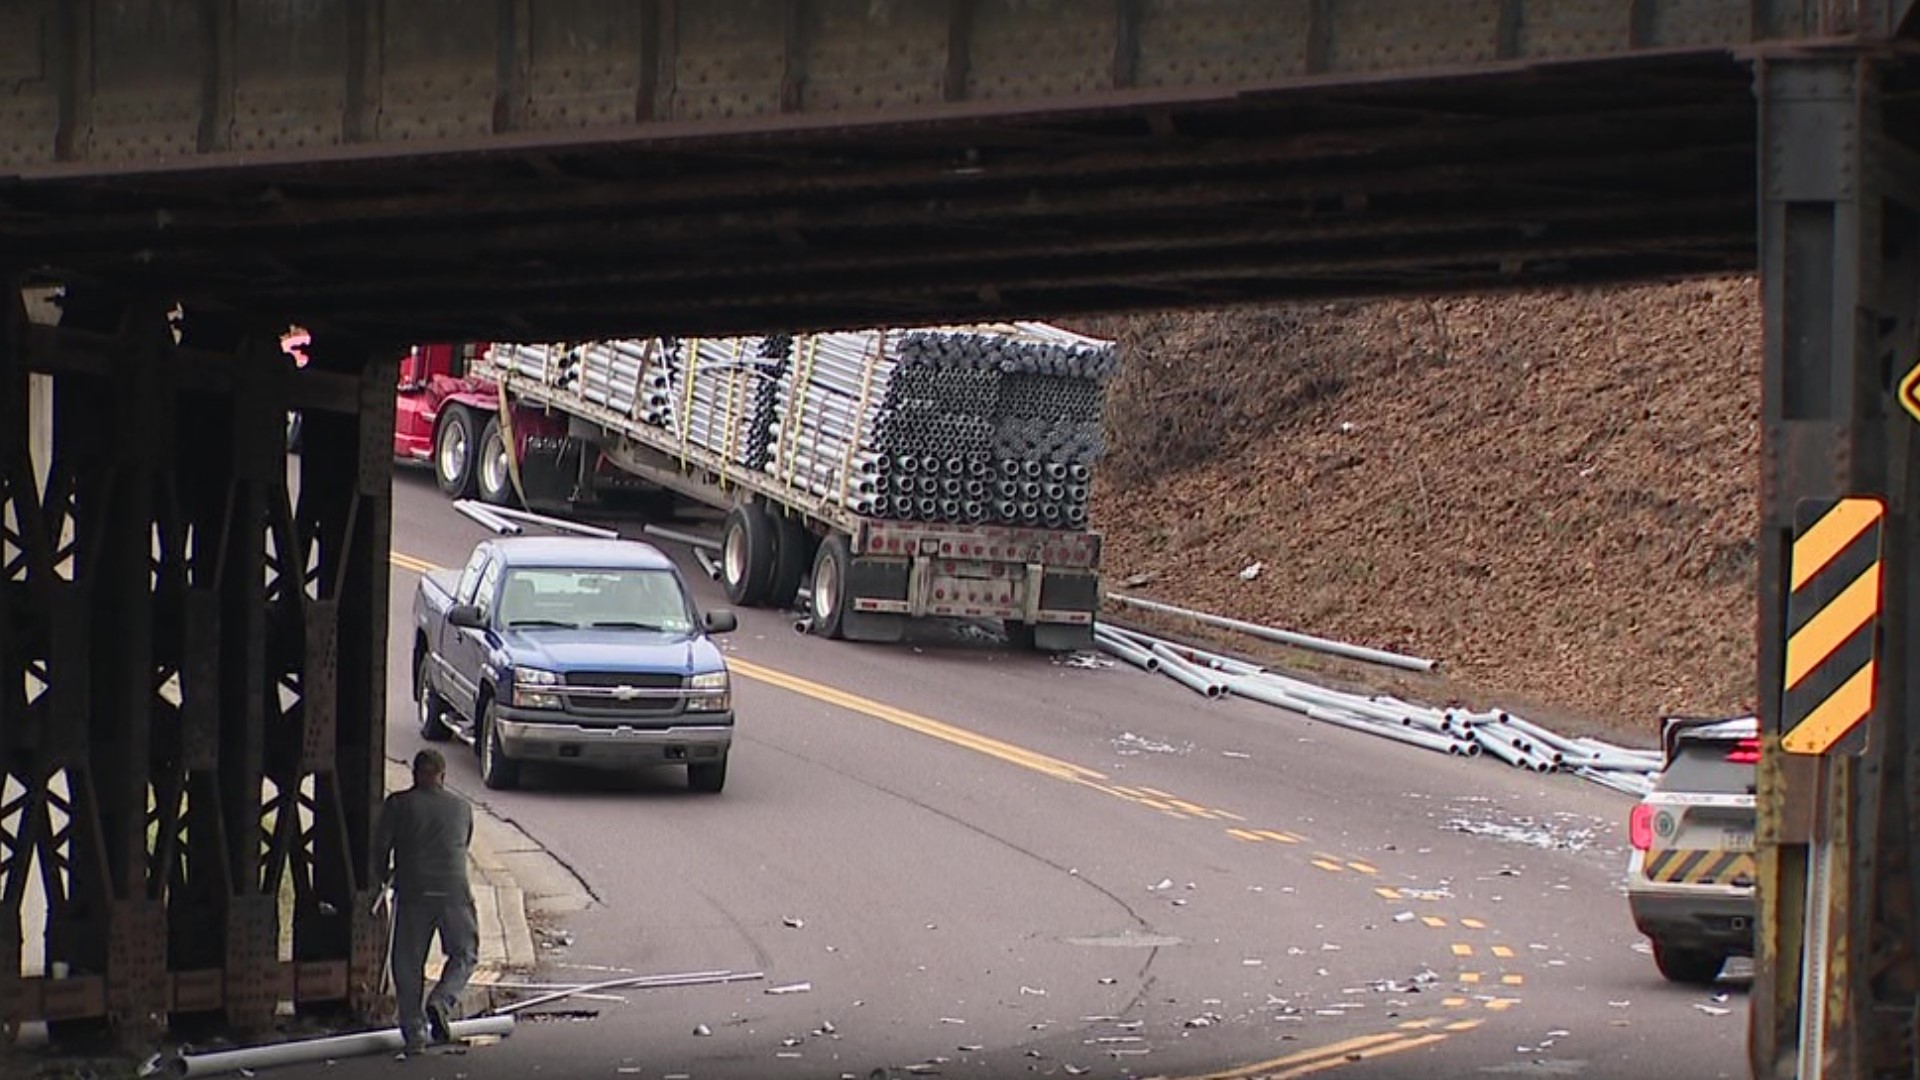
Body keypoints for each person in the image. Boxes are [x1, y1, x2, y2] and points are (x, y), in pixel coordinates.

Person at [374, 749, 479, 1053]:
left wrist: (383, 874)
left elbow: (380, 846)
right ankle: (442, 1001)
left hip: (414, 893)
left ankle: (414, 1034)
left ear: (415, 774)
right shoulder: (462, 807)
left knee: (407, 963)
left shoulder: (398, 804)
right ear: (442, 776)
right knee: (465, 953)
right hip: (455, 893)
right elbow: (463, 842)